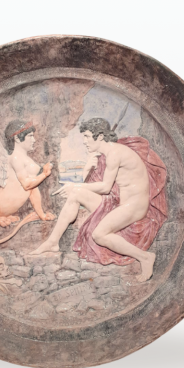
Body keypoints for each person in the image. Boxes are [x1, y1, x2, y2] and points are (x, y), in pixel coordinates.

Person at [30, 118, 167, 282]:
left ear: (100, 136)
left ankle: (145, 257)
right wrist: (85, 171)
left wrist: (75, 185)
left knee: (99, 235)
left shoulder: (115, 154)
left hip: (134, 207)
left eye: (87, 136)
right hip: (118, 203)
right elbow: (96, 185)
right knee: (75, 194)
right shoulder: (108, 153)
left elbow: (105, 188)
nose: (84, 141)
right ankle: (53, 242)